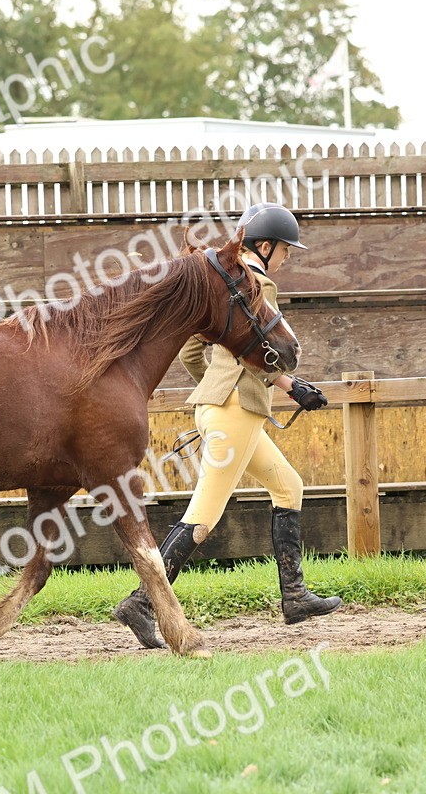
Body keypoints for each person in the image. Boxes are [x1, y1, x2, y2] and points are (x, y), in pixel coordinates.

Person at [113, 202, 341, 648]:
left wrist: (215, 388)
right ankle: (142, 602)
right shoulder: (258, 284)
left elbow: (191, 351)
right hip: (236, 414)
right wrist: (292, 386)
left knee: (289, 487)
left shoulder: (225, 283)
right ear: (266, 246)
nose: (287, 257)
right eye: (286, 249)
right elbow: (260, 354)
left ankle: (295, 596)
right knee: (204, 515)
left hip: (221, 409)